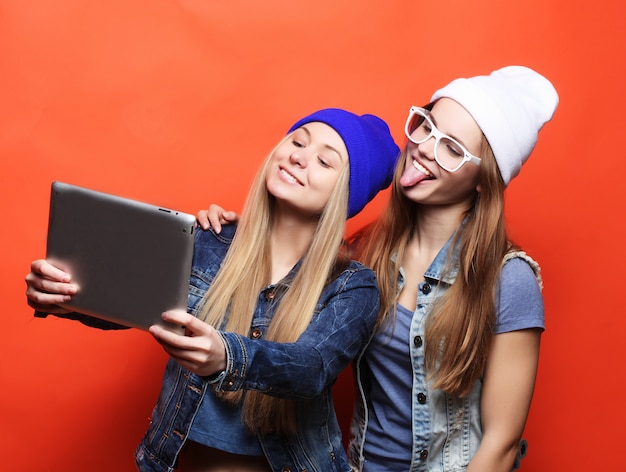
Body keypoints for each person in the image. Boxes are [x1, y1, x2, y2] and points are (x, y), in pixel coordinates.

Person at [198, 66, 559, 471]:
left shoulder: (508, 279)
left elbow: (502, 443)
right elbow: (275, 306)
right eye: (426, 126)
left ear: (484, 180)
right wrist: (224, 235)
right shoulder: (364, 253)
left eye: (453, 149)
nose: (424, 147)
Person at [25, 108, 401, 471]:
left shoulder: (354, 287)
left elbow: (312, 367)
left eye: (325, 161)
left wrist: (227, 357)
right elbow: (140, 306)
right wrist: (68, 297)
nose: (300, 158)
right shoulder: (207, 241)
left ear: (347, 194)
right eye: (298, 142)